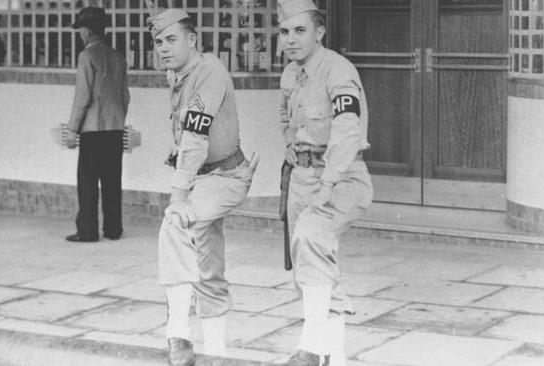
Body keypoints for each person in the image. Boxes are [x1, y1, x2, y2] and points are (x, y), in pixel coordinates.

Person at [149, 8, 259, 366]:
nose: (164, 48)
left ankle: (178, 333)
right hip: (205, 178)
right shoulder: (178, 74)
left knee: (175, 223)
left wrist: (178, 195)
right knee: (208, 266)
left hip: (225, 178)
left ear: (192, 39)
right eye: (158, 41)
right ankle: (217, 354)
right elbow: (191, 133)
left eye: (172, 39)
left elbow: (197, 133)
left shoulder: (209, 72)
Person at [277, 1, 374, 365]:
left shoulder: (338, 70)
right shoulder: (290, 73)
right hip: (301, 177)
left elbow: (348, 133)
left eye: (300, 31)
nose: (290, 39)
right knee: (310, 268)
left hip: (343, 178)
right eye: (284, 32)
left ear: (320, 32)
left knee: (313, 238)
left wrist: (327, 183)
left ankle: (310, 348)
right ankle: (334, 356)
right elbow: (285, 115)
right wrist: (289, 144)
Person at [64, 7, 130, 243]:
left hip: (92, 131)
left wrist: (72, 130)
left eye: (81, 29)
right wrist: (117, 119)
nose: (80, 34)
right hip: (114, 129)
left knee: (88, 182)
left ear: (87, 30)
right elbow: (124, 96)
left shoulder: (86, 56)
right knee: (113, 180)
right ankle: (114, 229)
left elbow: (82, 98)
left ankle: (88, 231)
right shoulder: (117, 56)